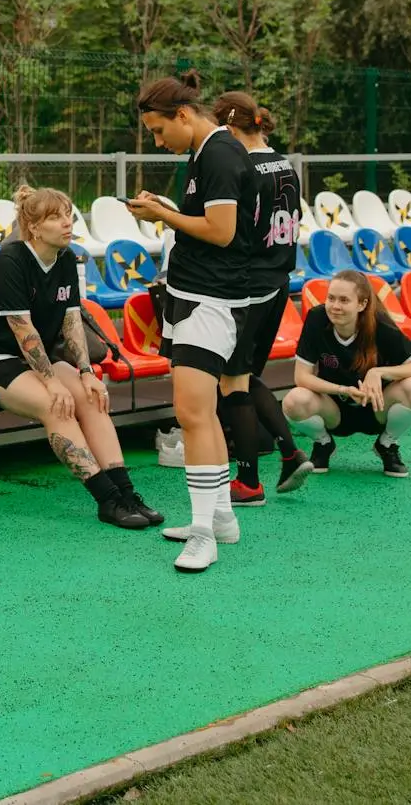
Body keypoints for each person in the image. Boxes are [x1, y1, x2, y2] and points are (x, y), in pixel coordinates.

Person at [0, 186, 163, 529]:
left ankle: (126, 492)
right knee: (56, 405)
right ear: (33, 228)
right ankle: (107, 501)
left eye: (68, 214)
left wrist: (85, 371)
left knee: (92, 397)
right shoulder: (10, 261)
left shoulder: (66, 257)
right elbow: (24, 331)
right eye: (55, 217)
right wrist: (51, 382)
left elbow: (71, 320)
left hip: (31, 359)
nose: (67, 223)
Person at [128, 71, 261, 573]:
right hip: (195, 296)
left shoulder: (222, 155)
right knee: (201, 411)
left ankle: (203, 532)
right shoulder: (204, 154)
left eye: (160, 132)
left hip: (212, 301)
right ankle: (221, 516)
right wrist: (166, 209)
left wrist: (164, 216)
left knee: (193, 414)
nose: (159, 144)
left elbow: (222, 232)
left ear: (183, 115)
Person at [209, 92, 316, 503]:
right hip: (278, 283)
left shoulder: (243, 168)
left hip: (249, 287)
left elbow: (233, 232)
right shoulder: (285, 164)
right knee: (246, 375)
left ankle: (249, 480)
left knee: (231, 379)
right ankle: (289, 453)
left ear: (230, 129)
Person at [283, 269, 411, 477]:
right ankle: (323, 443)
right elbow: (301, 377)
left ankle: (387, 443)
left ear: (361, 304)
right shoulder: (317, 318)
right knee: (293, 400)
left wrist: (378, 373)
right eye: (331, 298)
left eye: (344, 300)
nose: (335, 306)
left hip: (377, 408)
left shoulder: (379, 324)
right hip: (334, 411)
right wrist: (343, 389)